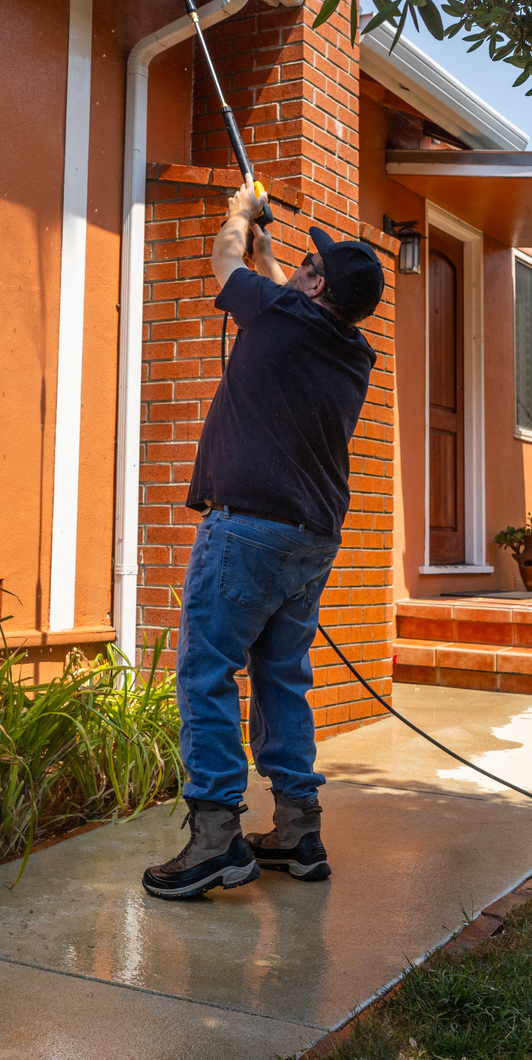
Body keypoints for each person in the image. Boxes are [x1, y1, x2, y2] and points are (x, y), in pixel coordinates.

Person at [141, 183, 383, 901]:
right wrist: (278, 260)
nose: (301, 273)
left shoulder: (281, 315)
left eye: (311, 268)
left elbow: (223, 261)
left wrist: (241, 216)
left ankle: (216, 838)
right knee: (282, 675)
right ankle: (298, 831)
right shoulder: (352, 351)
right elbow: (286, 304)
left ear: (315, 286)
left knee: (207, 671)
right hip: (312, 539)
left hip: (249, 527)